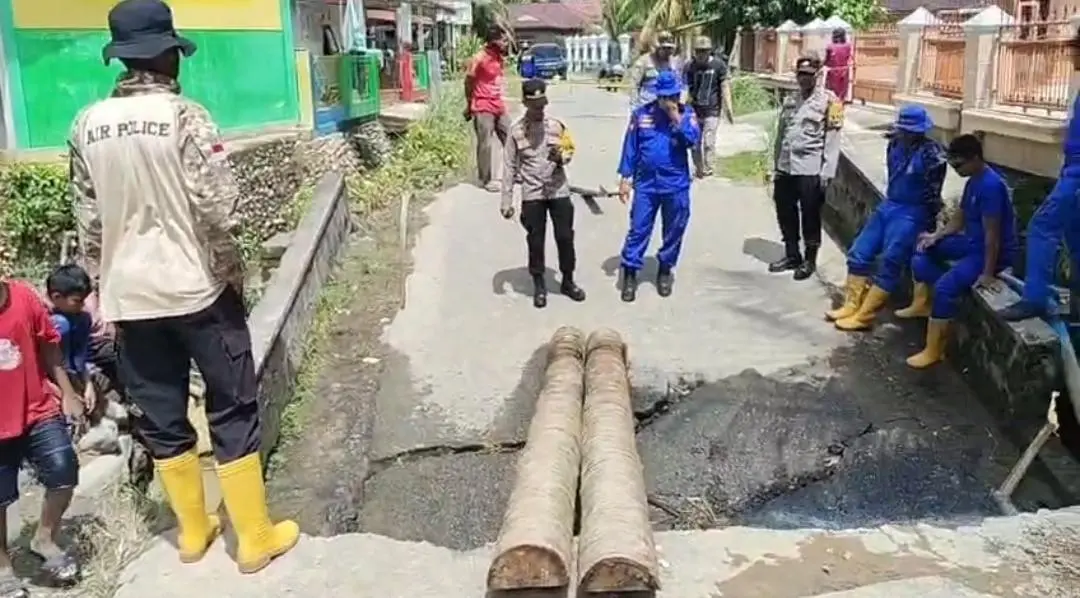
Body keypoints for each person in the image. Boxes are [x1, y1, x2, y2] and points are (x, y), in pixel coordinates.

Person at [69, 0, 298, 574]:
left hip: (130, 295)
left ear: (120, 59)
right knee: (232, 404)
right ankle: (253, 539)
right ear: (170, 55)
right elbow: (218, 209)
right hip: (196, 289)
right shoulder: (186, 117)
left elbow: (89, 221)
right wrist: (232, 273)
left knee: (160, 412)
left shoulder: (85, 125)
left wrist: (100, 288)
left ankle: (193, 532)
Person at [896, 134, 1018, 368]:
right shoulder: (973, 180)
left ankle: (934, 349)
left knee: (944, 288)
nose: (956, 170)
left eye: (959, 165)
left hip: (986, 251)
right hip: (971, 241)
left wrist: (987, 272)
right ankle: (923, 304)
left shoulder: (991, 186)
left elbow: (993, 236)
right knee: (922, 251)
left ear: (975, 159)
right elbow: (960, 217)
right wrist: (936, 236)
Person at [827, 104, 947, 331]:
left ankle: (864, 316)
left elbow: (934, 192)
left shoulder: (933, 155)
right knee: (859, 252)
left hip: (913, 212)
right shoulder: (893, 144)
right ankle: (851, 304)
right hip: (889, 205)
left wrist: (930, 223)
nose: (905, 133)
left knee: (891, 260)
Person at [0, 279, 84, 597]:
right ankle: (3, 567)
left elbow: (49, 346)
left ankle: (44, 538)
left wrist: (68, 392)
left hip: (36, 408)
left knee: (64, 469)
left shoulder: (23, 297)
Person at [998, 32, 1080, 321]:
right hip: (1071, 169)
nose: (1071, 57)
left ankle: (1033, 299)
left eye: (1074, 50)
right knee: (1074, 236)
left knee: (1041, 228)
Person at [500, 79, 586, 309]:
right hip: (533, 193)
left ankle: (568, 281)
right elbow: (509, 166)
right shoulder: (516, 131)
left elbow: (569, 149)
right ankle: (539, 284)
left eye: (542, 105)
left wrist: (563, 158)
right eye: (535, 105)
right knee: (535, 241)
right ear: (526, 103)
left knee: (565, 237)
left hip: (558, 189)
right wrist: (506, 200)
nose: (539, 110)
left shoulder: (557, 126)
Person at [616, 70, 701, 302]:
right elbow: (630, 147)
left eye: (672, 95)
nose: (668, 100)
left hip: (675, 183)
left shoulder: (687, 114)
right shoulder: (641, 115)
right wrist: (625, 177)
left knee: (675, 228)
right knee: (639, 228)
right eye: (664, 96)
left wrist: (676, 118)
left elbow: (693, 140)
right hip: (647, 184)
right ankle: (630, 272)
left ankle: (665, 268)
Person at [770, 56, 844, 280]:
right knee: (786, 213)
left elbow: (833, 140)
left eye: (809, 74)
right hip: (786, 166)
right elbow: (781, 135)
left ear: (817, 75)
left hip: (810, 169)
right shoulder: (791, 100)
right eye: (800, 74)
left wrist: (827, 172)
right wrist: (775, 165)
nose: (804, 78)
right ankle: (792, 254)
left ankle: (809, 260)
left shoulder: (829, 102)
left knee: (810, 216)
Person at [44, 264, 98, 420]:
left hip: (78, 376)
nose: (83, 305)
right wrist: (69, 392)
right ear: (56, 297)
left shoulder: (83, 319)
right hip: (56, 381)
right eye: (77, 301)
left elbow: (84, 355)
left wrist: (88, 385)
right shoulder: (53, 323)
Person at [465, 26, 511, 192]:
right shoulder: (479, 58)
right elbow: (468, 81)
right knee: (486, 143)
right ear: (493, 40)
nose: (506, 43)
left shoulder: (499, 57)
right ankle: (485, 179)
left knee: (512, 136)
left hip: (498, 104)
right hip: (482, 105)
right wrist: (469, 104)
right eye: (503, 40)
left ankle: (517, 171)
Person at [683, 35, 734, 178]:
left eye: (704, 51)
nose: (701, 54)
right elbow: (685, 87)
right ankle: (699, 168)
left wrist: (728, 108)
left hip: (712, 110)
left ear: (709, 51)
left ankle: (709, 167)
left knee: (709, 141)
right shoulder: (689, 66)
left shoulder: (718, 65)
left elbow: (725, 87)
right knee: (695, 142)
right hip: (694, 110)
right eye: (698, 51)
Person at [627, 31, 681, 111]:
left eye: (669, 49)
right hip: (647, 105)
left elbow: (679, 85)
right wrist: (634, 108)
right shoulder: (644, 61)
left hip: (667, 107)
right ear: (657, 48)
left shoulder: (674, 63)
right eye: (664, 48)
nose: (667, 52)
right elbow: (634, 85)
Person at [824, 28, 853, 103]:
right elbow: (849, 58)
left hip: (833, 73)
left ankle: (833, 111)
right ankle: (839, 111)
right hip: (844, 72)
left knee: (832, 94)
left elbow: (826, 61)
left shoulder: (830, 46)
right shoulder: (848, 46)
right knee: (841, 94)